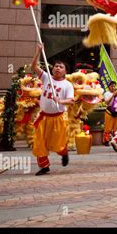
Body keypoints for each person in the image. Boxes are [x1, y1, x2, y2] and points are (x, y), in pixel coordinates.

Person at [31, 43, 74, 176]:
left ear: (65, 71)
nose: (58, 68)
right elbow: (34, 67)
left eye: (61, 67)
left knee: (57, 143)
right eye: (56, 66)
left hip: (58, 118)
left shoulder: (67, 85)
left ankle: (64, 152)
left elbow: (71, 100)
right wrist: (39, 51)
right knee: (39, 143)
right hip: (43, 117)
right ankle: (44, 166)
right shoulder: (46, 77)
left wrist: (60, 101)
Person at [103, 81, 117, 146]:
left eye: (114, 86)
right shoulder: (106, 93)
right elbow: (106, 102)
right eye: (111, 86)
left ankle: (115, 140)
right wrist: (113, 95)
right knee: (108, 127)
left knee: (116, 128)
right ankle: (106, 141)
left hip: (116, 111)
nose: (113, 87)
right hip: (109, 111)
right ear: (109, 87)